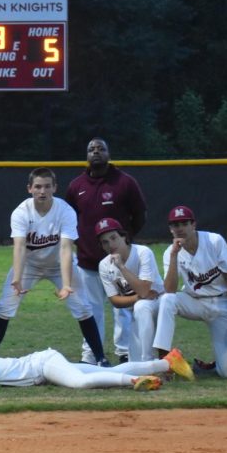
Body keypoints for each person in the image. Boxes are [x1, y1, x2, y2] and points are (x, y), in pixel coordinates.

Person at [0, 167, 106, 363]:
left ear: (55, 188)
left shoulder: (65, 211)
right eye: (37, 187)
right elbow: (19, 247)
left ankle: (101, 358)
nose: (42, 191)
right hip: (29, 265)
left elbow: (66, 249)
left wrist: (67, 284)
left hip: (59, 264)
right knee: (4, 307)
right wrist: (17, 279)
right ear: (29, 188)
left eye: (47, 186)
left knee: (83, 308)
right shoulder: (21, 212)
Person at [65, 137, 147, 364]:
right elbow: (69, 219)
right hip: (88, 260)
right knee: (91, 309)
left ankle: (124, 352)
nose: (96, 152)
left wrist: (126, 242)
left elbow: (140, 214)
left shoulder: (125, 182)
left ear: (109, 153)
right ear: (86, 155)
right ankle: (91, 354)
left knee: (123, 308)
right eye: (91, 149)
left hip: (119, 261)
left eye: (101, 148)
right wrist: (79, 242)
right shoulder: (76, 186)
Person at [152, 206, 227, 378]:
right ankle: (164, 362)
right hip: (194, 301)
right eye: (175, 225)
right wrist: (173, 256)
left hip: (222, 304)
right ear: (170, 229)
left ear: (193, 224)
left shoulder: (214, 241)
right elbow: (170, 290)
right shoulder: (170, 253)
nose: (179, 228)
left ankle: (208, 367)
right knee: (167, 300)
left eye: (184, 223)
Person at [0, 338, 193, 393]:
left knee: (80, 383)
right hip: (46, 362)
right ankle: (167, 362)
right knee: (107, 372)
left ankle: (134, 381)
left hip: (44, 365)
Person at [95, 218, 164, 364]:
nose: (110, 244)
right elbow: (115, 301)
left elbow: (144, 291)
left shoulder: (142, 252)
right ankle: (154, 362)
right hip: (138, 310)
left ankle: (149, 361)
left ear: (124, 236)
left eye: (113, 238)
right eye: (104, 242)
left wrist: (122, 267)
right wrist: (137, 299)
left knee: (142, 306)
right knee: (133, 364)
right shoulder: (104, 265)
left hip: (160, 304)